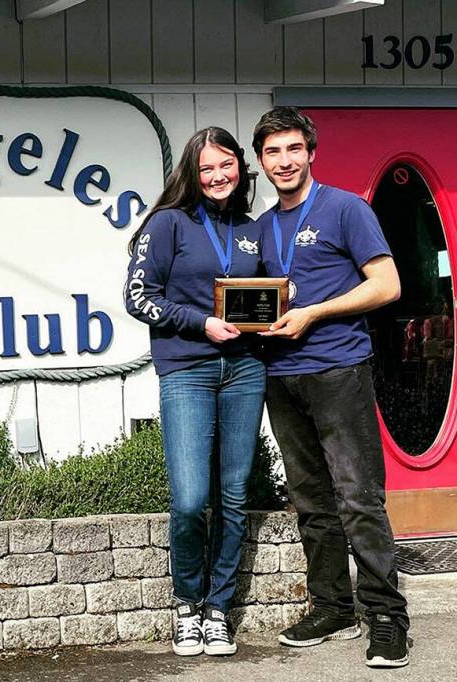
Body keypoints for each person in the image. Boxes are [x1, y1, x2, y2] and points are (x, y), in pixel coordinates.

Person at [252, 106, 409, 668]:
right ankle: (332, 606)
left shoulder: (347, 208)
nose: (284, 160)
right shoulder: (262, 227)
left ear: (310, 152)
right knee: (312, 502)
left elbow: (387, 285)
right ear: (262, 160)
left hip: (340, 370)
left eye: (293, 148)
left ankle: (388, 617)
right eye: (272, 152)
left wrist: (314, 313)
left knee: (358, 497)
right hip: (281, 376)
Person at [124, 127, 264, 657]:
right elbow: (138, 297)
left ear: (239, 167)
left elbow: (267, 292)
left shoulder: (252, 229)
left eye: (225, 164)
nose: (217, 176)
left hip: (246, 371)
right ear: (191, 172)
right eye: (206, 168)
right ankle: (187, 603)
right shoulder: (167, 224)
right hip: (187, 371)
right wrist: (199, 323)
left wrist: (282, 303)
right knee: (189, 500)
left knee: (233, 497)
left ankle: (218, 609)